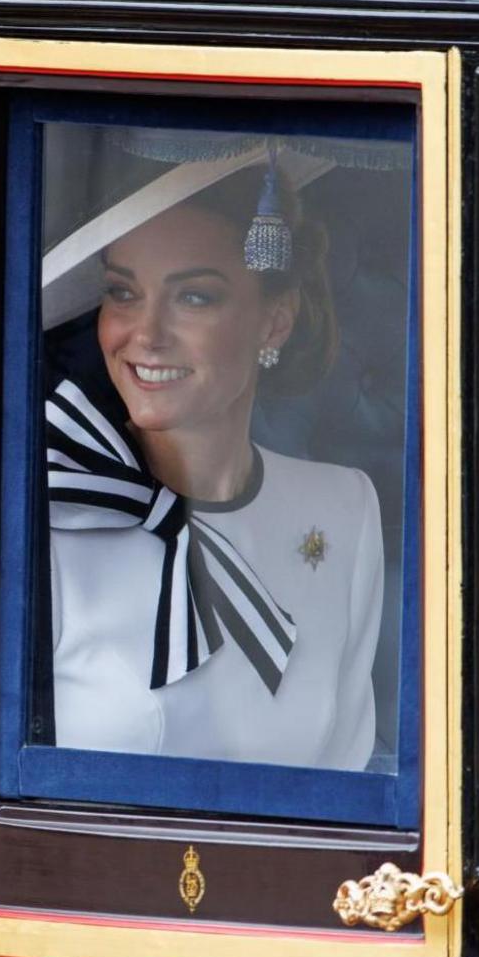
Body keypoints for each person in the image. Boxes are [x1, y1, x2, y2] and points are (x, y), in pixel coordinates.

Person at [46, 165, 384, 771]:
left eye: (193, 297)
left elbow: (347, 777)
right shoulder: (49, 504)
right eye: (124, 293)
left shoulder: (344, 511)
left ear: (274, 321)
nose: (145, 335)